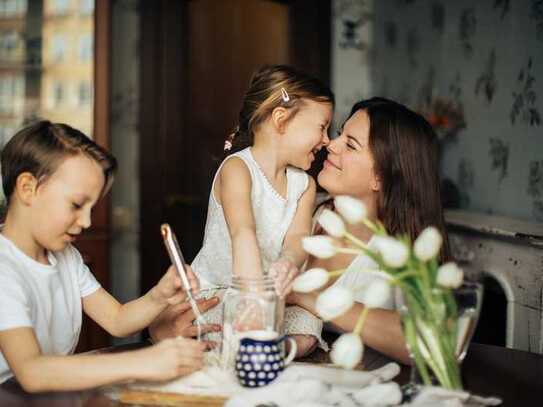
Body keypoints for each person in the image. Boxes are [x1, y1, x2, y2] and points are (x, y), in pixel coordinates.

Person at [0, 121, 206, 392]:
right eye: (76, 204)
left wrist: (160, 295)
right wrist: (144, 362)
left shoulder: (66, 257)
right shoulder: (5, 268)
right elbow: (32, 371)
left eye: (91, 208)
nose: (86, 221)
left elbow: (117, 320)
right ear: (28, 188)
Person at [286, 97, 450, 365]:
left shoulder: (401, 254)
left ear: (381, 177)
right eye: (340, 134)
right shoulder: (303, 210)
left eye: (350, 144)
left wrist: (308, 297)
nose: (331, 143)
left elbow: (432, 342)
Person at [189, 65, 334, 356]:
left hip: (270, 297)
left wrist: (289, 262)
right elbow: (243, 234)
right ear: (281, 120)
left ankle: (267, 349)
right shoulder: (237, 169)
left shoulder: (304, 185)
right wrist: (253, 302)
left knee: (307, 328)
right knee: (228, 326)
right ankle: (255, 345)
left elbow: (297, 241)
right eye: (322, 127)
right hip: (220, 292)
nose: (327, 140)